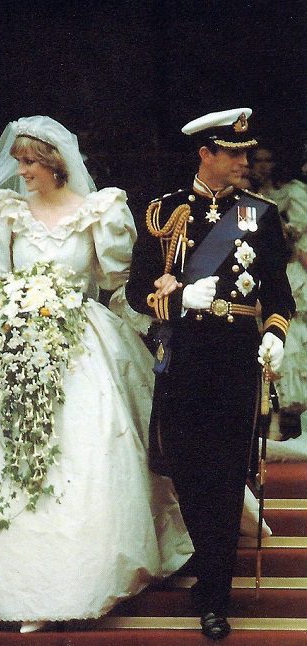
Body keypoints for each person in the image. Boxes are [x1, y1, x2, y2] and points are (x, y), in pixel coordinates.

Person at [0, 115, 194, 631]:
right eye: (17, 162)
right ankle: (6, 578)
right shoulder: (4, 214)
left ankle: (85, 573)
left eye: (28, 163)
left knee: (90, 447)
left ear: (54, 164)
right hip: (16, 339)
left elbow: (113, 282)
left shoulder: (99, 212)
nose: (19, 172)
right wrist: (9, 320)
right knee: (3, 449)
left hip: (80, 339)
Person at [126, 108, 295, 640]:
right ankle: (209, 568)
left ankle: (216, 591)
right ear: (206, 154)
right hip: (183, 360)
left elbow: (280, 295)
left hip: (234, 362)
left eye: (246, 152)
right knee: (191, 473)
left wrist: (274, 334)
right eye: (234, 152)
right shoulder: (163, 212)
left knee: (225, 475)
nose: (244, 161)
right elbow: (136, 292)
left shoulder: (260, 215)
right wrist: (175, 305)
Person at [250, 145, 307, 429]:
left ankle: (291, 417)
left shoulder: (292, 192)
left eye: (268, 160)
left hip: (289, 270)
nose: (262, 167)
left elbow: (298, 241)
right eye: (257, 161)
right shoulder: (244, 196)